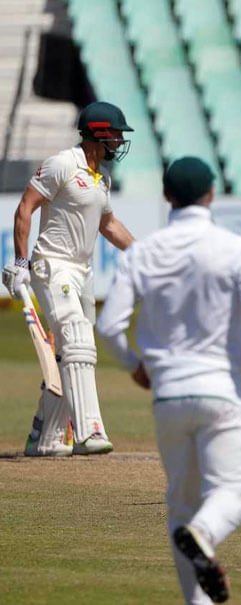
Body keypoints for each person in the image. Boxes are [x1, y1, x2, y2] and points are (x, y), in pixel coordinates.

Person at [97, 157, 241, 604]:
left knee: (181, 506)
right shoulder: (235, 248)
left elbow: (107, 327)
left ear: (167, 196)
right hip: (221, 392)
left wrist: (133, 365)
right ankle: (204, 534)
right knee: (233, 495)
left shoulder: (142, 252)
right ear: (211, 194)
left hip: (168, 395)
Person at [2, 101, 137, 456]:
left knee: (70, 352)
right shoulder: (62, 164)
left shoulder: (101, 178)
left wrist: (141, 253)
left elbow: (108, 224)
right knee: (77, 337)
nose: (120, 141)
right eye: (116, 135)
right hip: (53, 264)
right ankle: (89, 431)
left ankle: (45, 437)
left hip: (82, 272)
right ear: (98, 134)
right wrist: (20, 262)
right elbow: (25, 207)